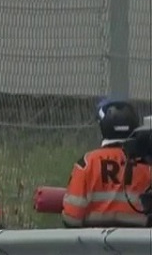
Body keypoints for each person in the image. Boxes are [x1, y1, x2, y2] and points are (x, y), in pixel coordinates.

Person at [62, 98, 150, 228]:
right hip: (140, 239)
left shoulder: (87, 163)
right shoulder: (147, 163)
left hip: (94, 239)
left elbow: (72, 218)